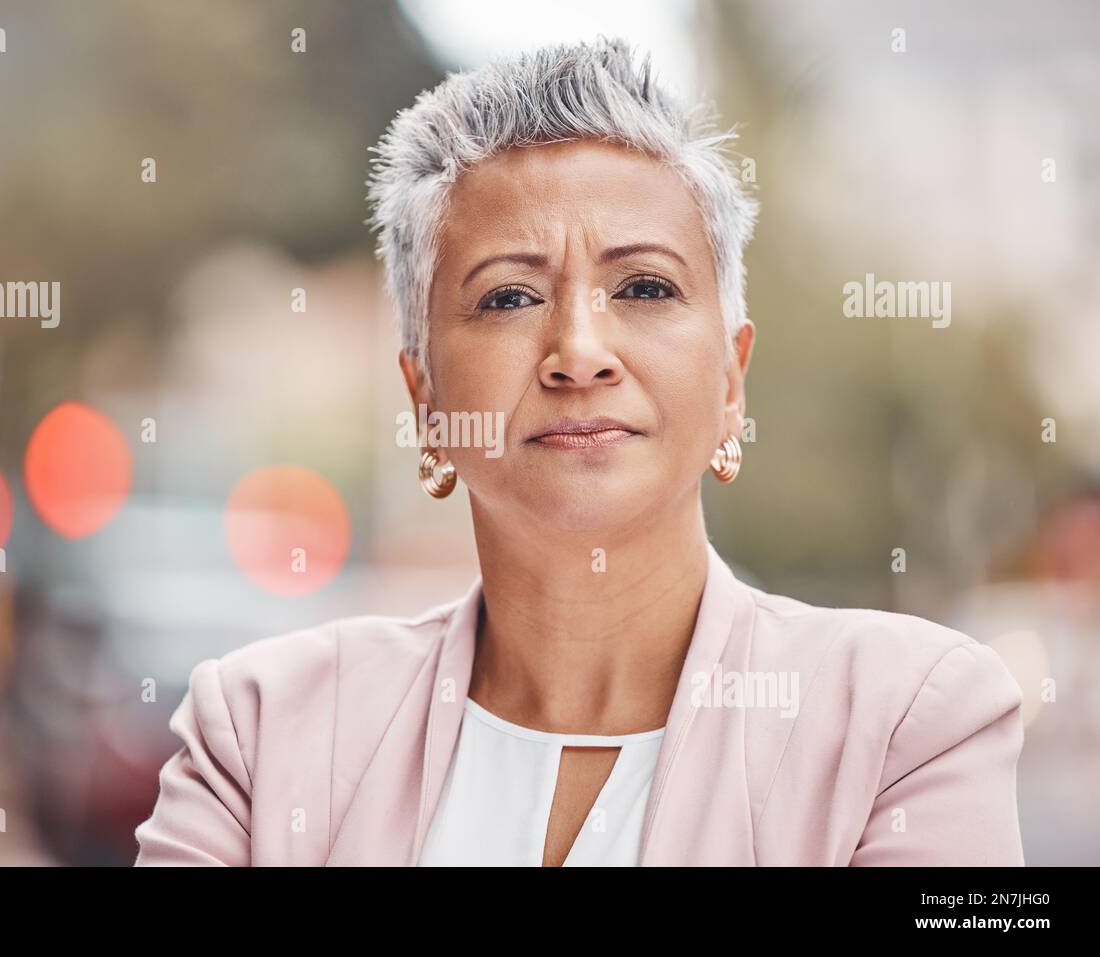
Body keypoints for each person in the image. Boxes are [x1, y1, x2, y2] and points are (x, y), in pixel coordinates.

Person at [134, 37, 1025, 866]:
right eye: (509, 298)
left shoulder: (910, 720)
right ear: (427, 402)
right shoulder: (260, 732)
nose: (579, 351)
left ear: (729, 385)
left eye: (644, 285)